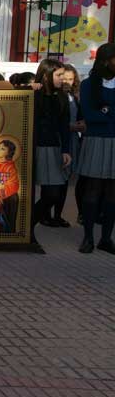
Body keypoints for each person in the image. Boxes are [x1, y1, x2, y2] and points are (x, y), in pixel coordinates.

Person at [76, 43, 115, 254]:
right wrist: (108, 114)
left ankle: (106, 238)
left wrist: (106, 112)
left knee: (112, 192)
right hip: (96, 140)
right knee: (93, 189)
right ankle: (88, 237)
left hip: (113, 139)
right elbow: (90, 116)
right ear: (104, 60)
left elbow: (100, 115)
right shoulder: (89, 84)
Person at [31, 59, 72, 231]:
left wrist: (66, 150)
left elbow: (64, 125)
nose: (62, 79)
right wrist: (28, 90)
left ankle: (28, 225)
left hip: (54, 147)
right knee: (27, 192)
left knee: (53, 193)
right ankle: (27, 232)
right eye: (59, 75)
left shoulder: (62, 97)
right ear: (47, 76)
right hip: (33, 148)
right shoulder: (33, 94)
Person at [60, 64, 85, 226]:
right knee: (59, 180)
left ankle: (80, 213)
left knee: (74, 178)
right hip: (61, 138)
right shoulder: (57, 96)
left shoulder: (76, 96)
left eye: (71, 79)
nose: (68, 82)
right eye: (65, 79)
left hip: (75, 139)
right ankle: (53, 214)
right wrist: (72, 126)